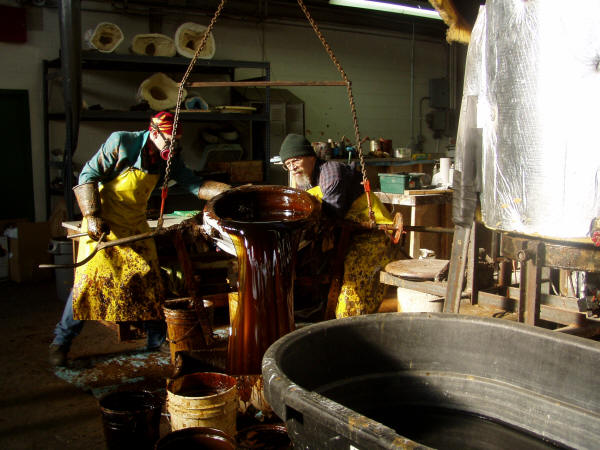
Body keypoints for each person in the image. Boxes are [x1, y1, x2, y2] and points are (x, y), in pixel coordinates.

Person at [48, 111, 230, 366]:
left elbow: (194, 184)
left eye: (176, 141)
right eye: (168, 140)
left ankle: (156, 340)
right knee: (88, 286)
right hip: (104, 225)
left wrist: (229, 193)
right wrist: (91, 215)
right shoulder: (122, 142)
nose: (173, 146)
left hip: (135, 226)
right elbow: (87, 175)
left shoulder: (169, 160)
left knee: (151, 280)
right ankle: (61, 342)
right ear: (154, 133)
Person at [279, 133, 400, 319]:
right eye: (288, 165)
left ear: (311, 157)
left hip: (374, 233)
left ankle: (351, 326)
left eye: (296, 160)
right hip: (348, 232)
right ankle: (321, 313)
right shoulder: (306, 181)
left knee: (353, 290)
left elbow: (330, 214)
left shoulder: (331, 174)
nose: (292, 167)